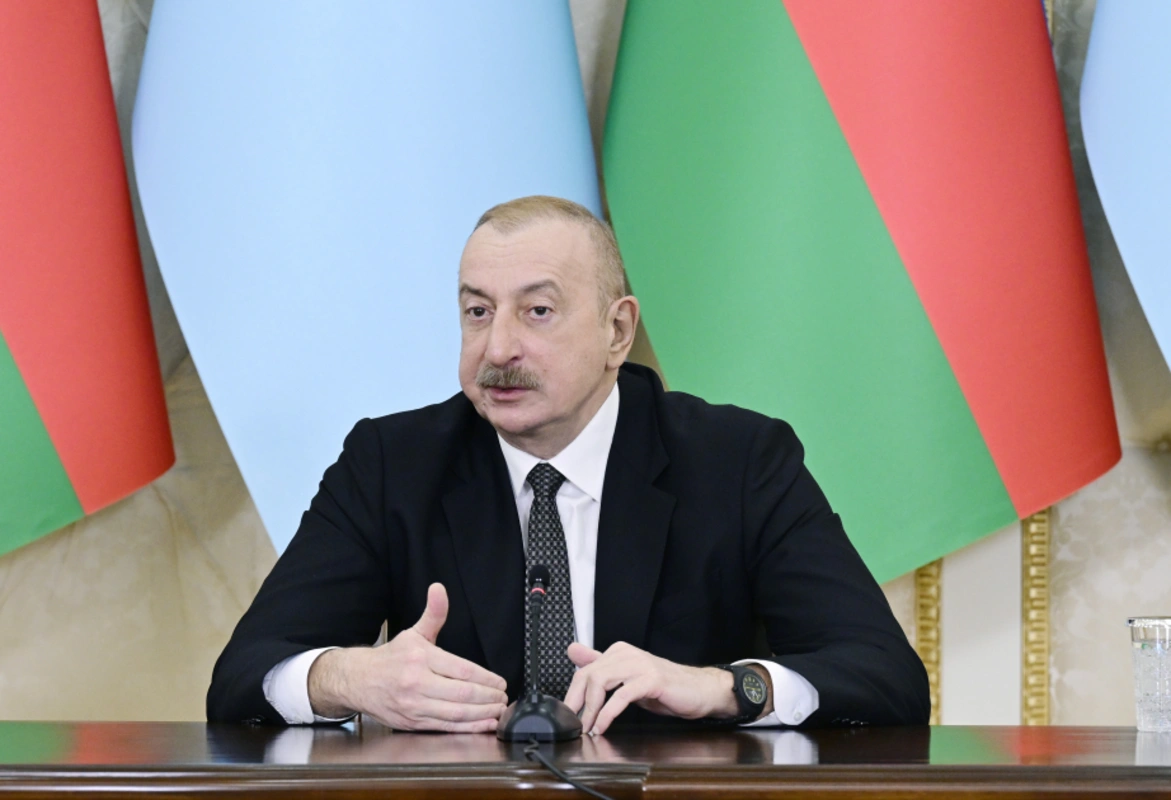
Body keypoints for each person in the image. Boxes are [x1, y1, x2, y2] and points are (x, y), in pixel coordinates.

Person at [207, 196, 929, 733]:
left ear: (618, 330)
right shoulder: (392, 464)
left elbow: (886, 677)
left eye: (538, 312)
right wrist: (347, 677)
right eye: (478, 312)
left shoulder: (737, 461)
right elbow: (242, 675)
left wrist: (721, 688)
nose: (497, 349)